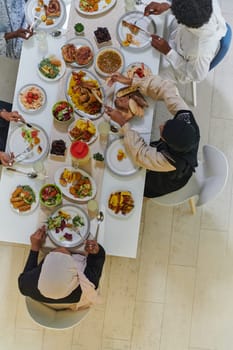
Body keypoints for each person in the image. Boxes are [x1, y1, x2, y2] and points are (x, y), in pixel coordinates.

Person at [104, 72, 200, 198]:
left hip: (168, 178)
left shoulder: (172, 161)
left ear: (168, 143)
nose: (160, 126)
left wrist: (122, 122)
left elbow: (141, 154)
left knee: (139, 183)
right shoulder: (186, 119)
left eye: (163, 132)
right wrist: (131, 81)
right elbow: (166, 88)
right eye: (167, 123)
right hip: (171, 154)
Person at [18, 226, 106, 310]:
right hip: (73, 298)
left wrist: (35, 246)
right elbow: (99, 257)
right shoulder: (88, 282)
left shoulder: (25, 284)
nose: (62, 248)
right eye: (68, 255)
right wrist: (95, 250)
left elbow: (28, 269)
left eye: (53, 253)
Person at [144, 0, 227, 83]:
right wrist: (168, 6)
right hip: (178, 35)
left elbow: (197, 76)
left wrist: (168, 51)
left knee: (147, 77)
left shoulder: (200, 50)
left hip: (183, 67)